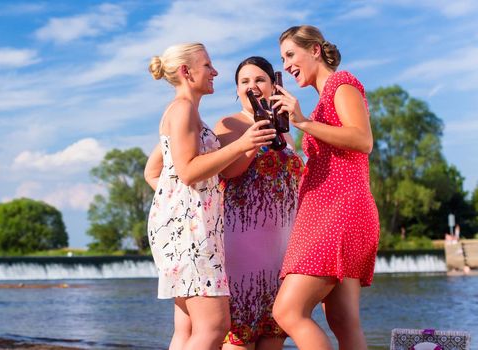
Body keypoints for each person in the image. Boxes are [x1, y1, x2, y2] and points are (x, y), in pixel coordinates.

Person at [145, 43, 276, 350]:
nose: (215, 71)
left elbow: (163, 173)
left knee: (190, 328)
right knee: (215, 325)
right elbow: (189, 171)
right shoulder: (183, 110)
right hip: (191, 232)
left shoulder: (186, 112)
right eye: (208, 66)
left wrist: (250, 144)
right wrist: (241, 143)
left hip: (187, 227)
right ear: (186, 71)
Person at [269, 25, 380, 350]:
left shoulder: (341, 84)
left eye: (291, 55)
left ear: (315, 50)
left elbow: (362, 139)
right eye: (283, 58)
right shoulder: (322, 102)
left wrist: (302, 122)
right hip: (334, 212)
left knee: (287, 311)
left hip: (341, 212)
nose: (287, 65)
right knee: (344, 322)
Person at [214, 56, 304, 350]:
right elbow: (227, 172)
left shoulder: (286, 128)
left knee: (274, 334)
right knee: (240, 336)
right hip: (242, 244)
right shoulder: (230, 123)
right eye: (244, 82)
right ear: (237, 90)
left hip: (282, 247)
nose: (252, 86)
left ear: (273, 85)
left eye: (259, 80)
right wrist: (253, 142)